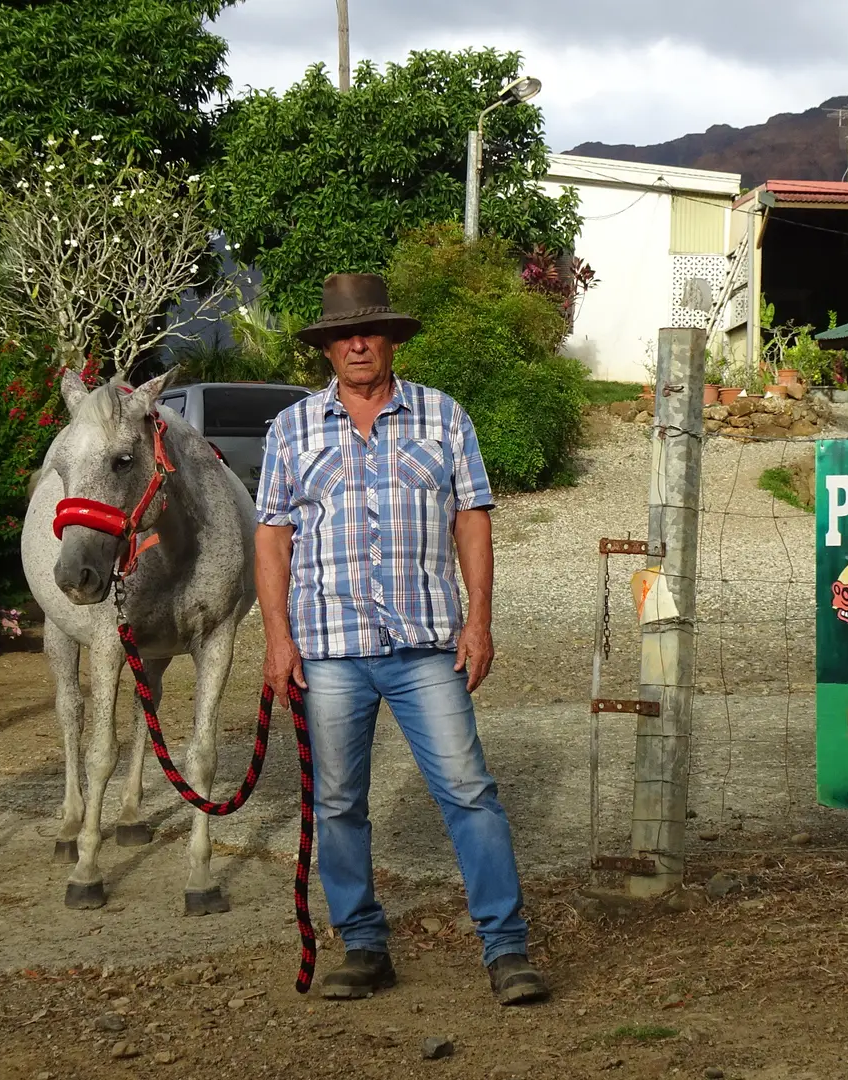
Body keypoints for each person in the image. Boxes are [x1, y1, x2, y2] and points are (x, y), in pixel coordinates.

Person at [253, 272, 549, 1006]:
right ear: (326, 347)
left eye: (370, 331)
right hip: (328, 650)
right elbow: (272, 539)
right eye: (343, 334)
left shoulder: (444, 418)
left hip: (426, 647)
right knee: (338, 803)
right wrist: (277, 640)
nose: (358, 343)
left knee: (469, 792)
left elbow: (472, 518)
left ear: (390, 341)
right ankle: (362, 947)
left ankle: (506, 950)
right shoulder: (291, 429)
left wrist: (479, 619)